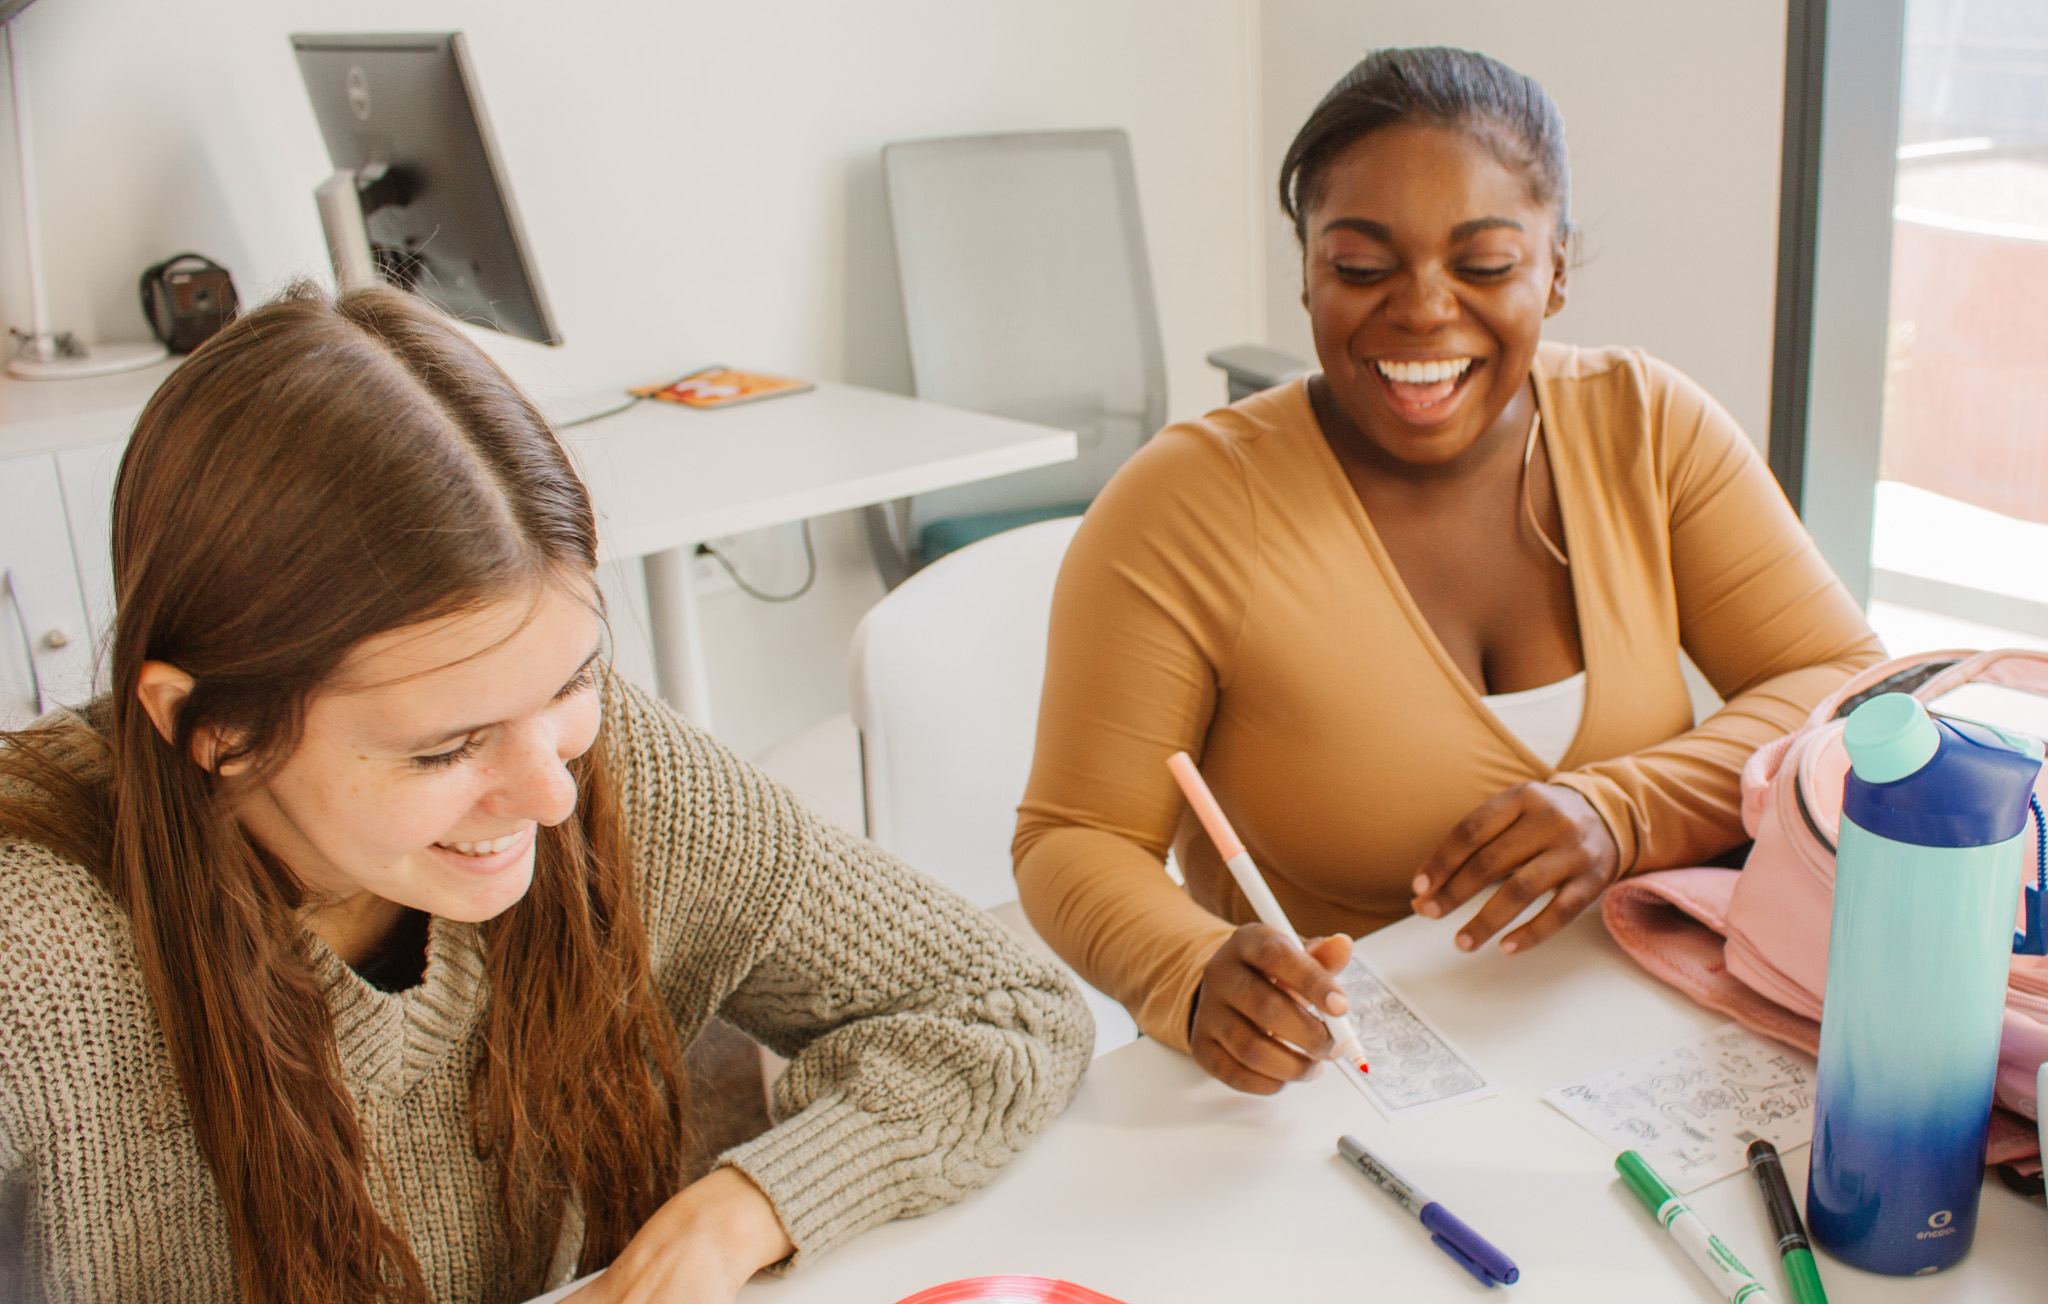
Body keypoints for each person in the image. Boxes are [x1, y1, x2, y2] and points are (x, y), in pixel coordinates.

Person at [0, 286, 1091, 1304]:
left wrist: (744, 1207)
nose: (547, 794)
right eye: (445, 747)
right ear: (215, 729)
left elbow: (1001, 1009)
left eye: (571, 680)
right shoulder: (35, 942)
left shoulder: (612, 765)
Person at [1013, 47, 1884, 1097]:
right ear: (1303, 274)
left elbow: (1840, 683)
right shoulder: (1184, 505)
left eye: (1479, 265)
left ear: (1555, 268)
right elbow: (1075, 835)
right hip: (1331, 1085)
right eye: (1361, 267)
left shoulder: (1647, 428)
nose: (1422, 311)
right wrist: (1190, 970)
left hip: (1634, 1049)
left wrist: (1622, 808)